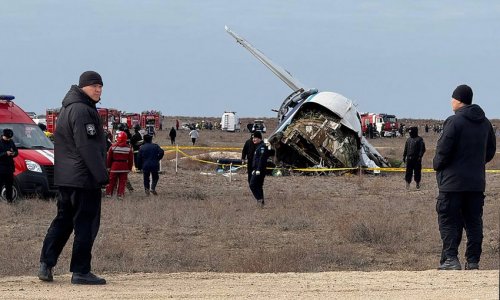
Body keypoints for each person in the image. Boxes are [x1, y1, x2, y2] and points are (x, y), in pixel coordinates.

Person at [38, 71, 108, 285]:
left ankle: (46, 264)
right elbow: (86, 146)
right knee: (86, 224)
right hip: (84, 179)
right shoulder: (82, 110)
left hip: (67, 178)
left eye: (101, 86)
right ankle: (81, 271)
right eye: (94, 86)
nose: (99, 90)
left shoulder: (67, 108)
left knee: (63, 221)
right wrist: (102, 176)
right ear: (83, 87)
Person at [433, 84, 496, 271]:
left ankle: (451, 259)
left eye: (452, 98)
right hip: (476, 183)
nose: (451, 101)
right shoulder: (485, 123)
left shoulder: (453, 122)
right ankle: (473, 261)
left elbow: (443, 150)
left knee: (449, 220)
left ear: (458, 99)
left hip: (452, 184)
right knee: (474, 222)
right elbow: (490, 151)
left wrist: (438, 164)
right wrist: (475, 164)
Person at [105, 131, 133, 199]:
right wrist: (129, 168)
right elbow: (130, 160)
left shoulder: (113, 147)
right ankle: (120, 195)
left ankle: (108, 194)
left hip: (114, 167)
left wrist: (108, 167)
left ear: (118, 138)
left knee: (111, 181)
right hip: (124, 167)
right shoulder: (128, 148)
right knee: (122, 182)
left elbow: (109, 158)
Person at [249, 131, 269, 208]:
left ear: (259, 138)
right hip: (257, 169)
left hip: (260, 170)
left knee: (252, 185)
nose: (253, 139)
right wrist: (254, 169)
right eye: (253, 138)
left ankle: (259, 199)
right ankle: (261, 203)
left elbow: (261, 159)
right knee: (259, 186)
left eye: (255, 138)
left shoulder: (262, 147)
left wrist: (258, 169)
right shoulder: (258, 146)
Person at [0, 128, 18, 203]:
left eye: (9, 138)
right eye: (7, 138)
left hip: (9, 168)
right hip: (1, 169)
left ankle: (9, 201)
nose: (8, 139)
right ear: (3, 136)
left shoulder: (11, 141)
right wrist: (5, 153)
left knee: (9, 186)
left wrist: (14, 153)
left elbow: (16, 151)